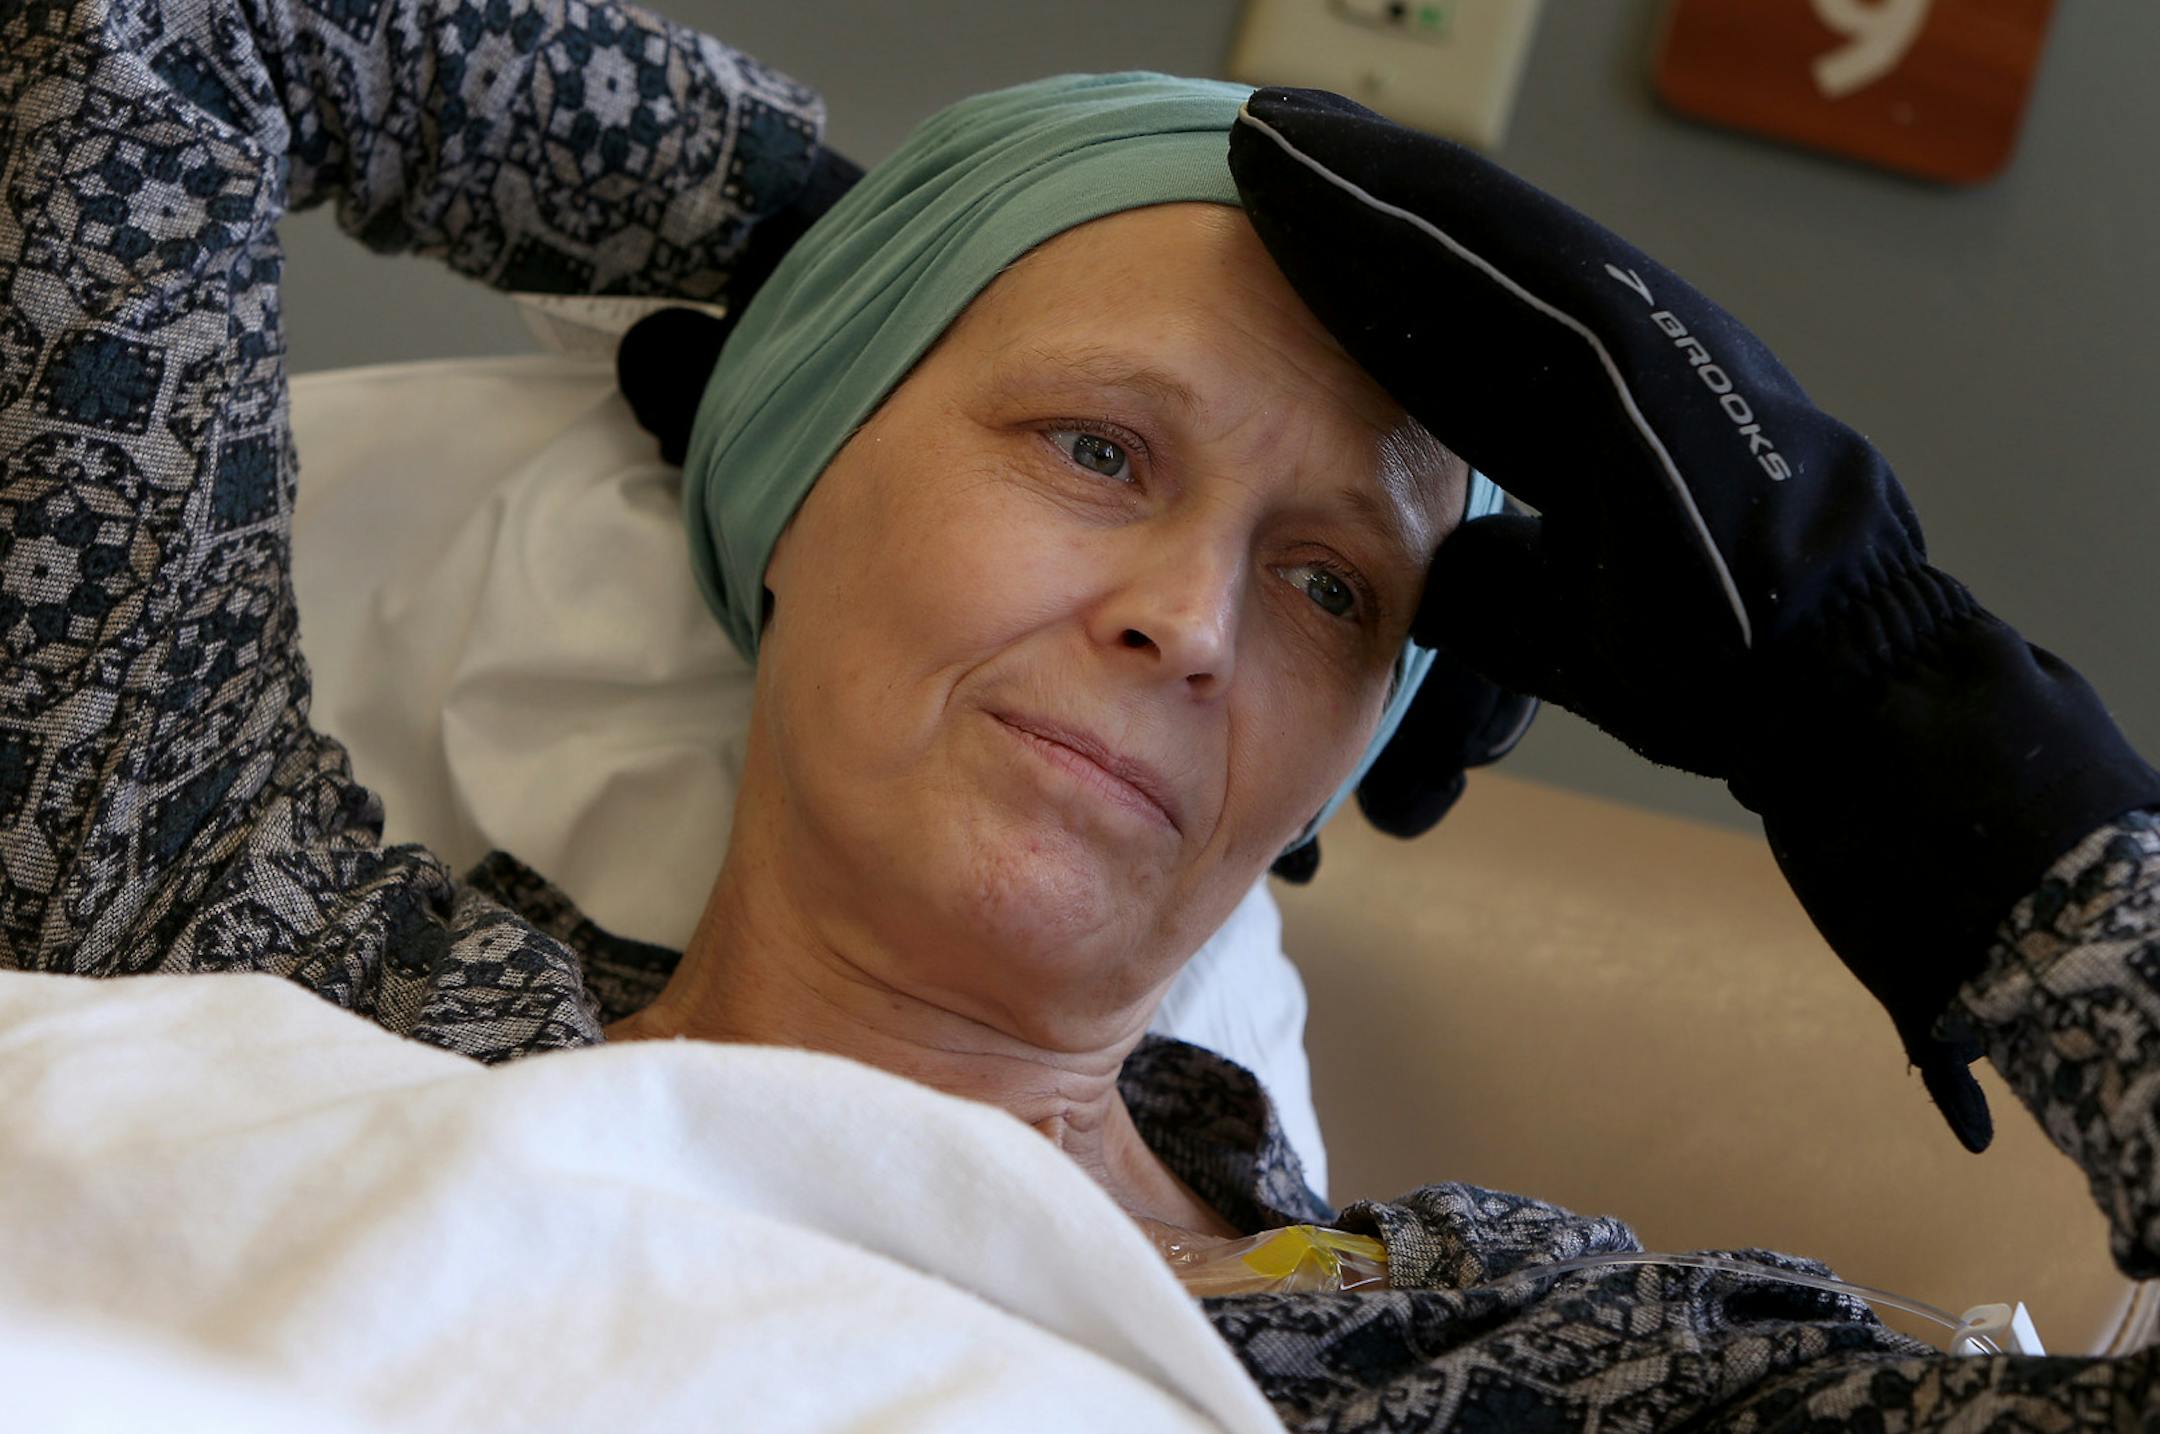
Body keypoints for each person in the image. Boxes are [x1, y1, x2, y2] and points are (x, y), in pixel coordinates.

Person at [4, 0, 2158, 1430]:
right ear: (802, 479)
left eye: (1333, 585)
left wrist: (1925, 730)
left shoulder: (1506, 1356)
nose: (1191, 625)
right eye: (1097, 452)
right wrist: (789, 239)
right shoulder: (252, 918)